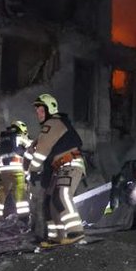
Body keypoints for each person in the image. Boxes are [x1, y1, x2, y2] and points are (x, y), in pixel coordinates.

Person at [28, 94, 86, 246]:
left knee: (62, 195)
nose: (38, 114)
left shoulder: (54, 123)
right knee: (49, 202)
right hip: (59, 168)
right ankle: (56, 237)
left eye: (41, 110)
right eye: (37, 111)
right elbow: (46, 157)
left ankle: (76, 232)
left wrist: (33, 170)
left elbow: (42, 151)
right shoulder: (48, 128)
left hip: (70, 164)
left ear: (50, 109)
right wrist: (44, 179)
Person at [0, 121, 31, 222]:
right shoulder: (21, 137)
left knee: (1, 192)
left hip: (3, 169)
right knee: (20, 191)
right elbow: (31, 147)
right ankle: (23, 217)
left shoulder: (1, 138)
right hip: (17, 168)